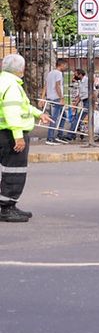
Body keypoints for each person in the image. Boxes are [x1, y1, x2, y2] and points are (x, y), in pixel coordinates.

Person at [0, 53, 53, 221]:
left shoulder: (4, 82)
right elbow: (12, 111)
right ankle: (7, 208)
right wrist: (18, 136)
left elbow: (22, 106)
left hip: (4, 132)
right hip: (11, 133)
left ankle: (6, 206)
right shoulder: (12, 86)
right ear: (21, 69)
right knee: (14, 171)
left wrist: (38, 113)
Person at [41, 63, 64, 142]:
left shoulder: (50, 73)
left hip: (50, 97)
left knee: (63, 116)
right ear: (62, 65)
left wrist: (43, 97)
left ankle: (60, 135)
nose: (66, 67)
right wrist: (61, 98)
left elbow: (46, 86)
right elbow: (57, 86)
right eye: (65, 65)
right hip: (56, 98)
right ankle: (50, 138)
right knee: (54, 118)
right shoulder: (59, 73)